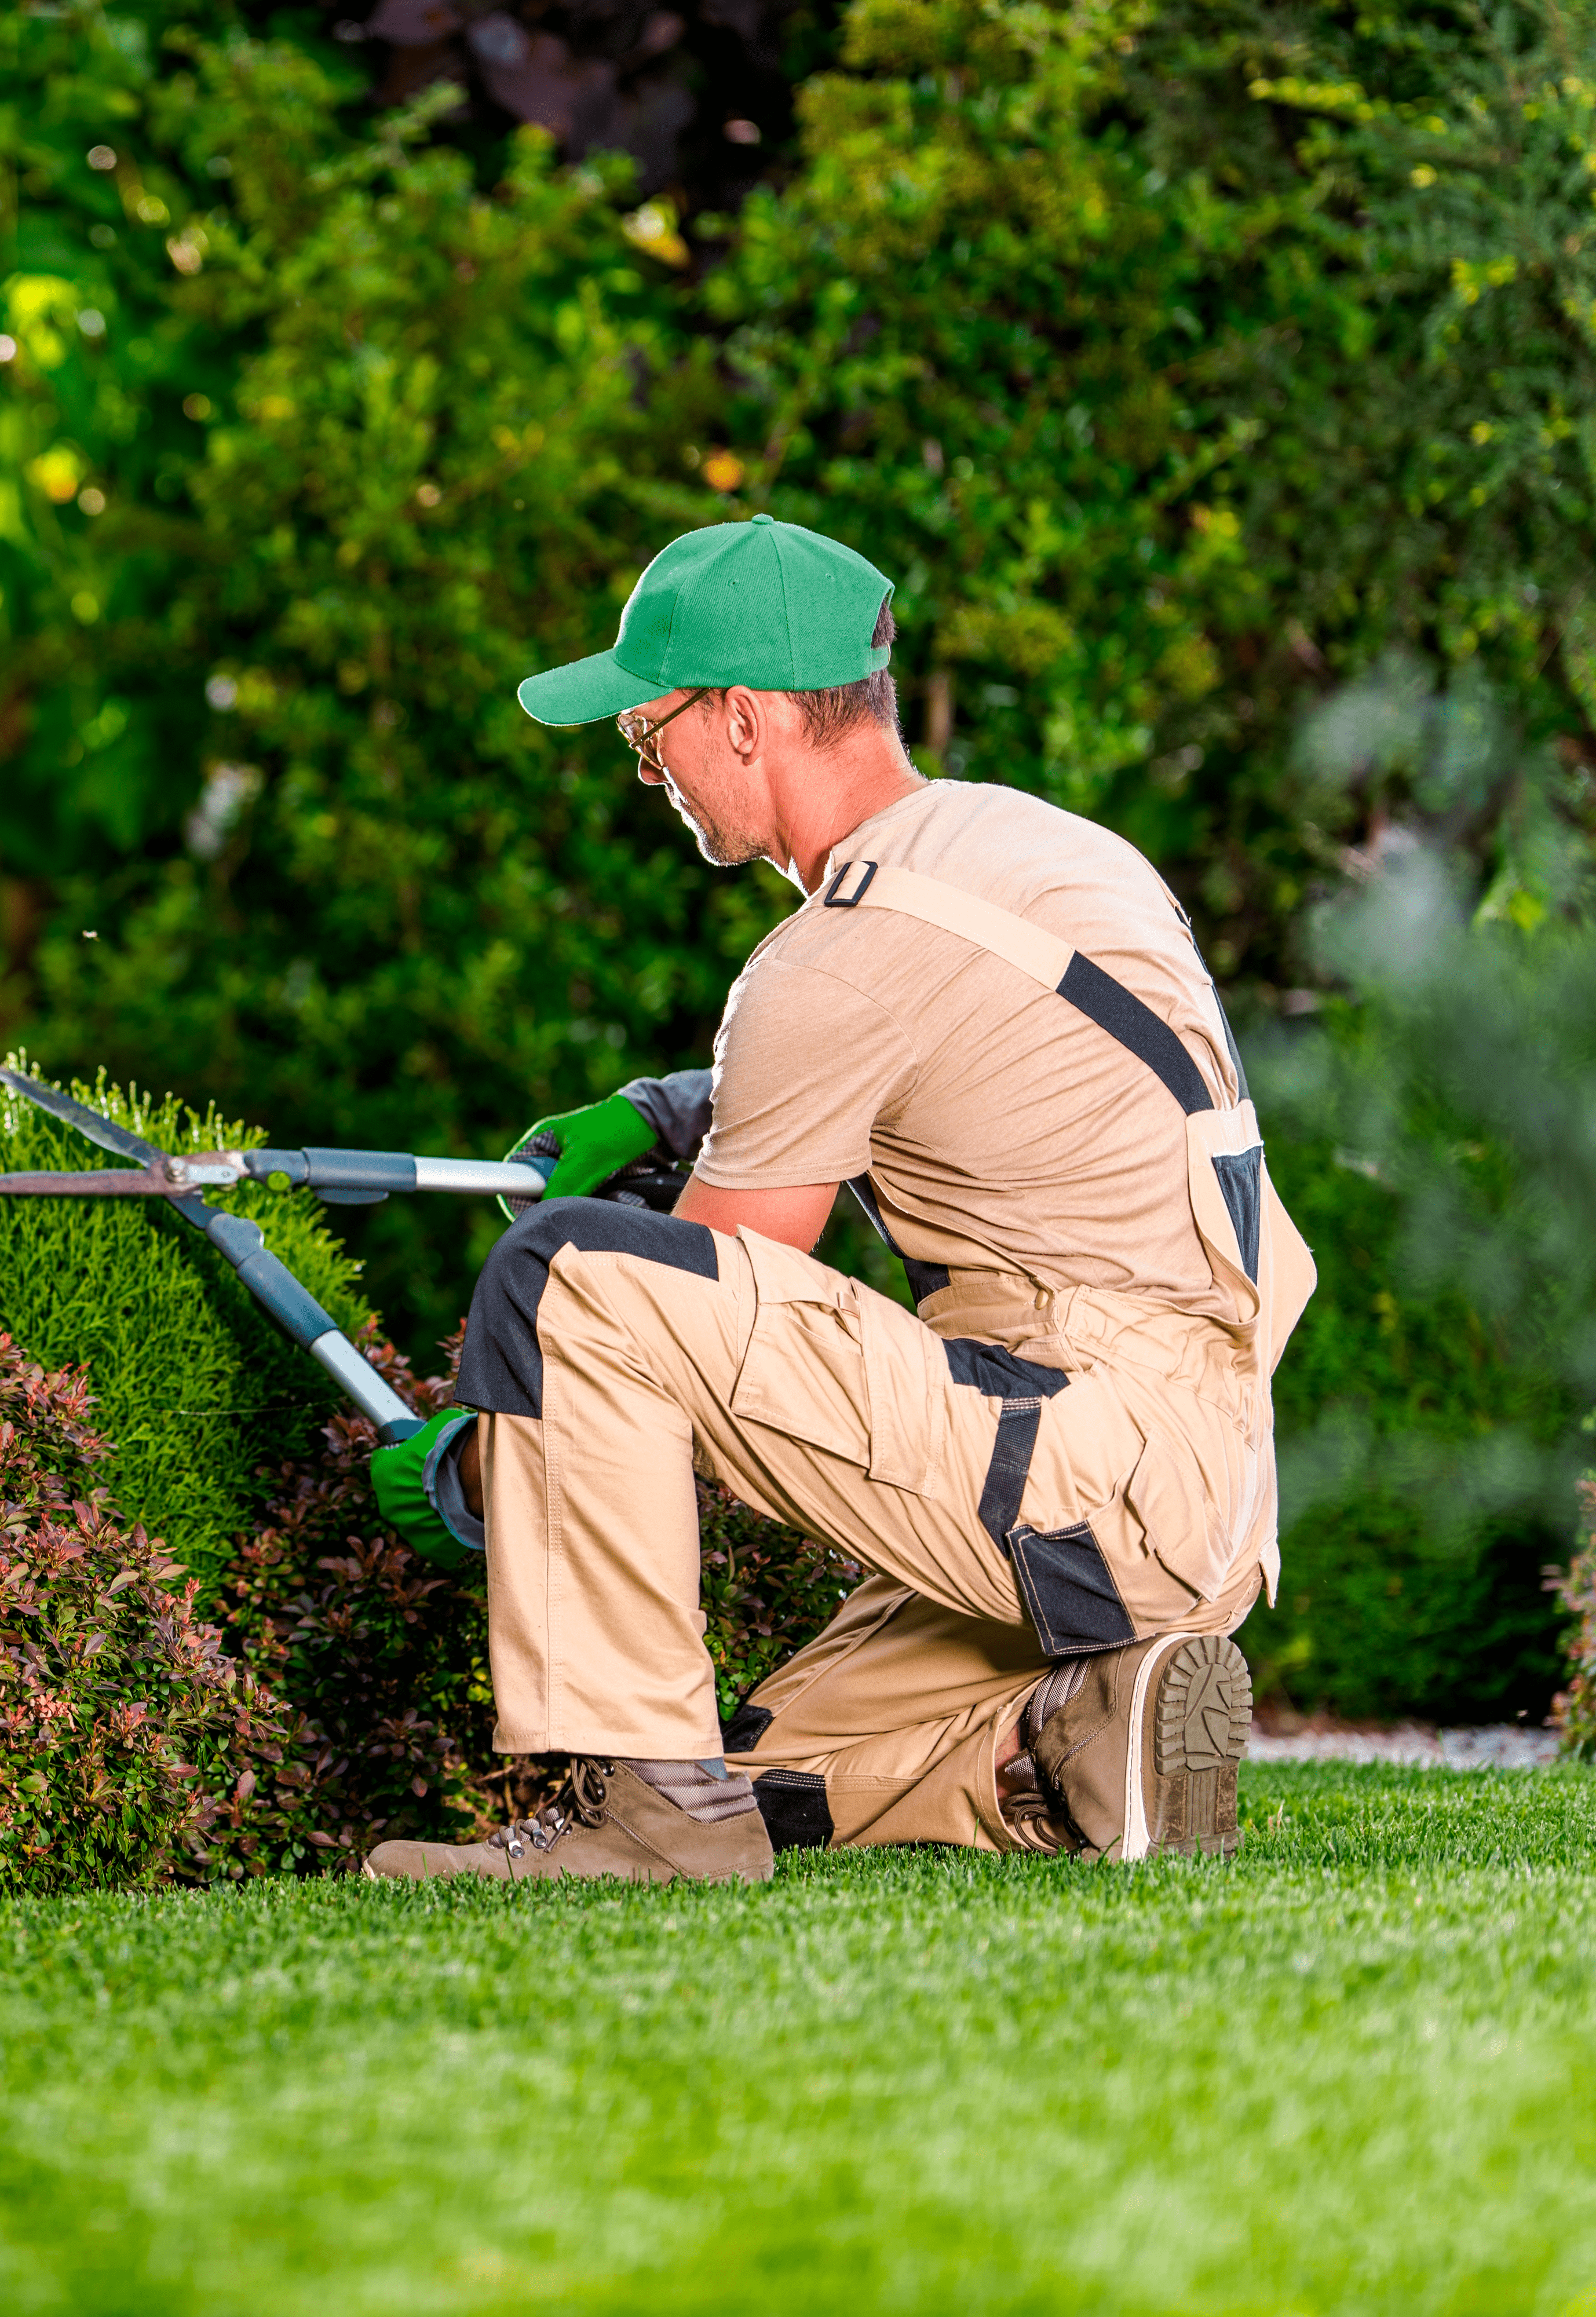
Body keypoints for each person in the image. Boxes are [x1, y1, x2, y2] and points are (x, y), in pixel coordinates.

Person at [364, 514, 1315, 1883]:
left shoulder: (834, 954)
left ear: (743, 719)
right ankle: (1066, 1737)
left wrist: (473, 1464)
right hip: (1199, 1487)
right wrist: (662, 1108)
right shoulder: (1031, 850)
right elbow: (960, 1062)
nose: (645, 766)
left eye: (649, 728)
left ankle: (650, 1828)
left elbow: (681, 1324)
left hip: (1079, 1470)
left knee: (566, 1272)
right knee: (749, 1766)